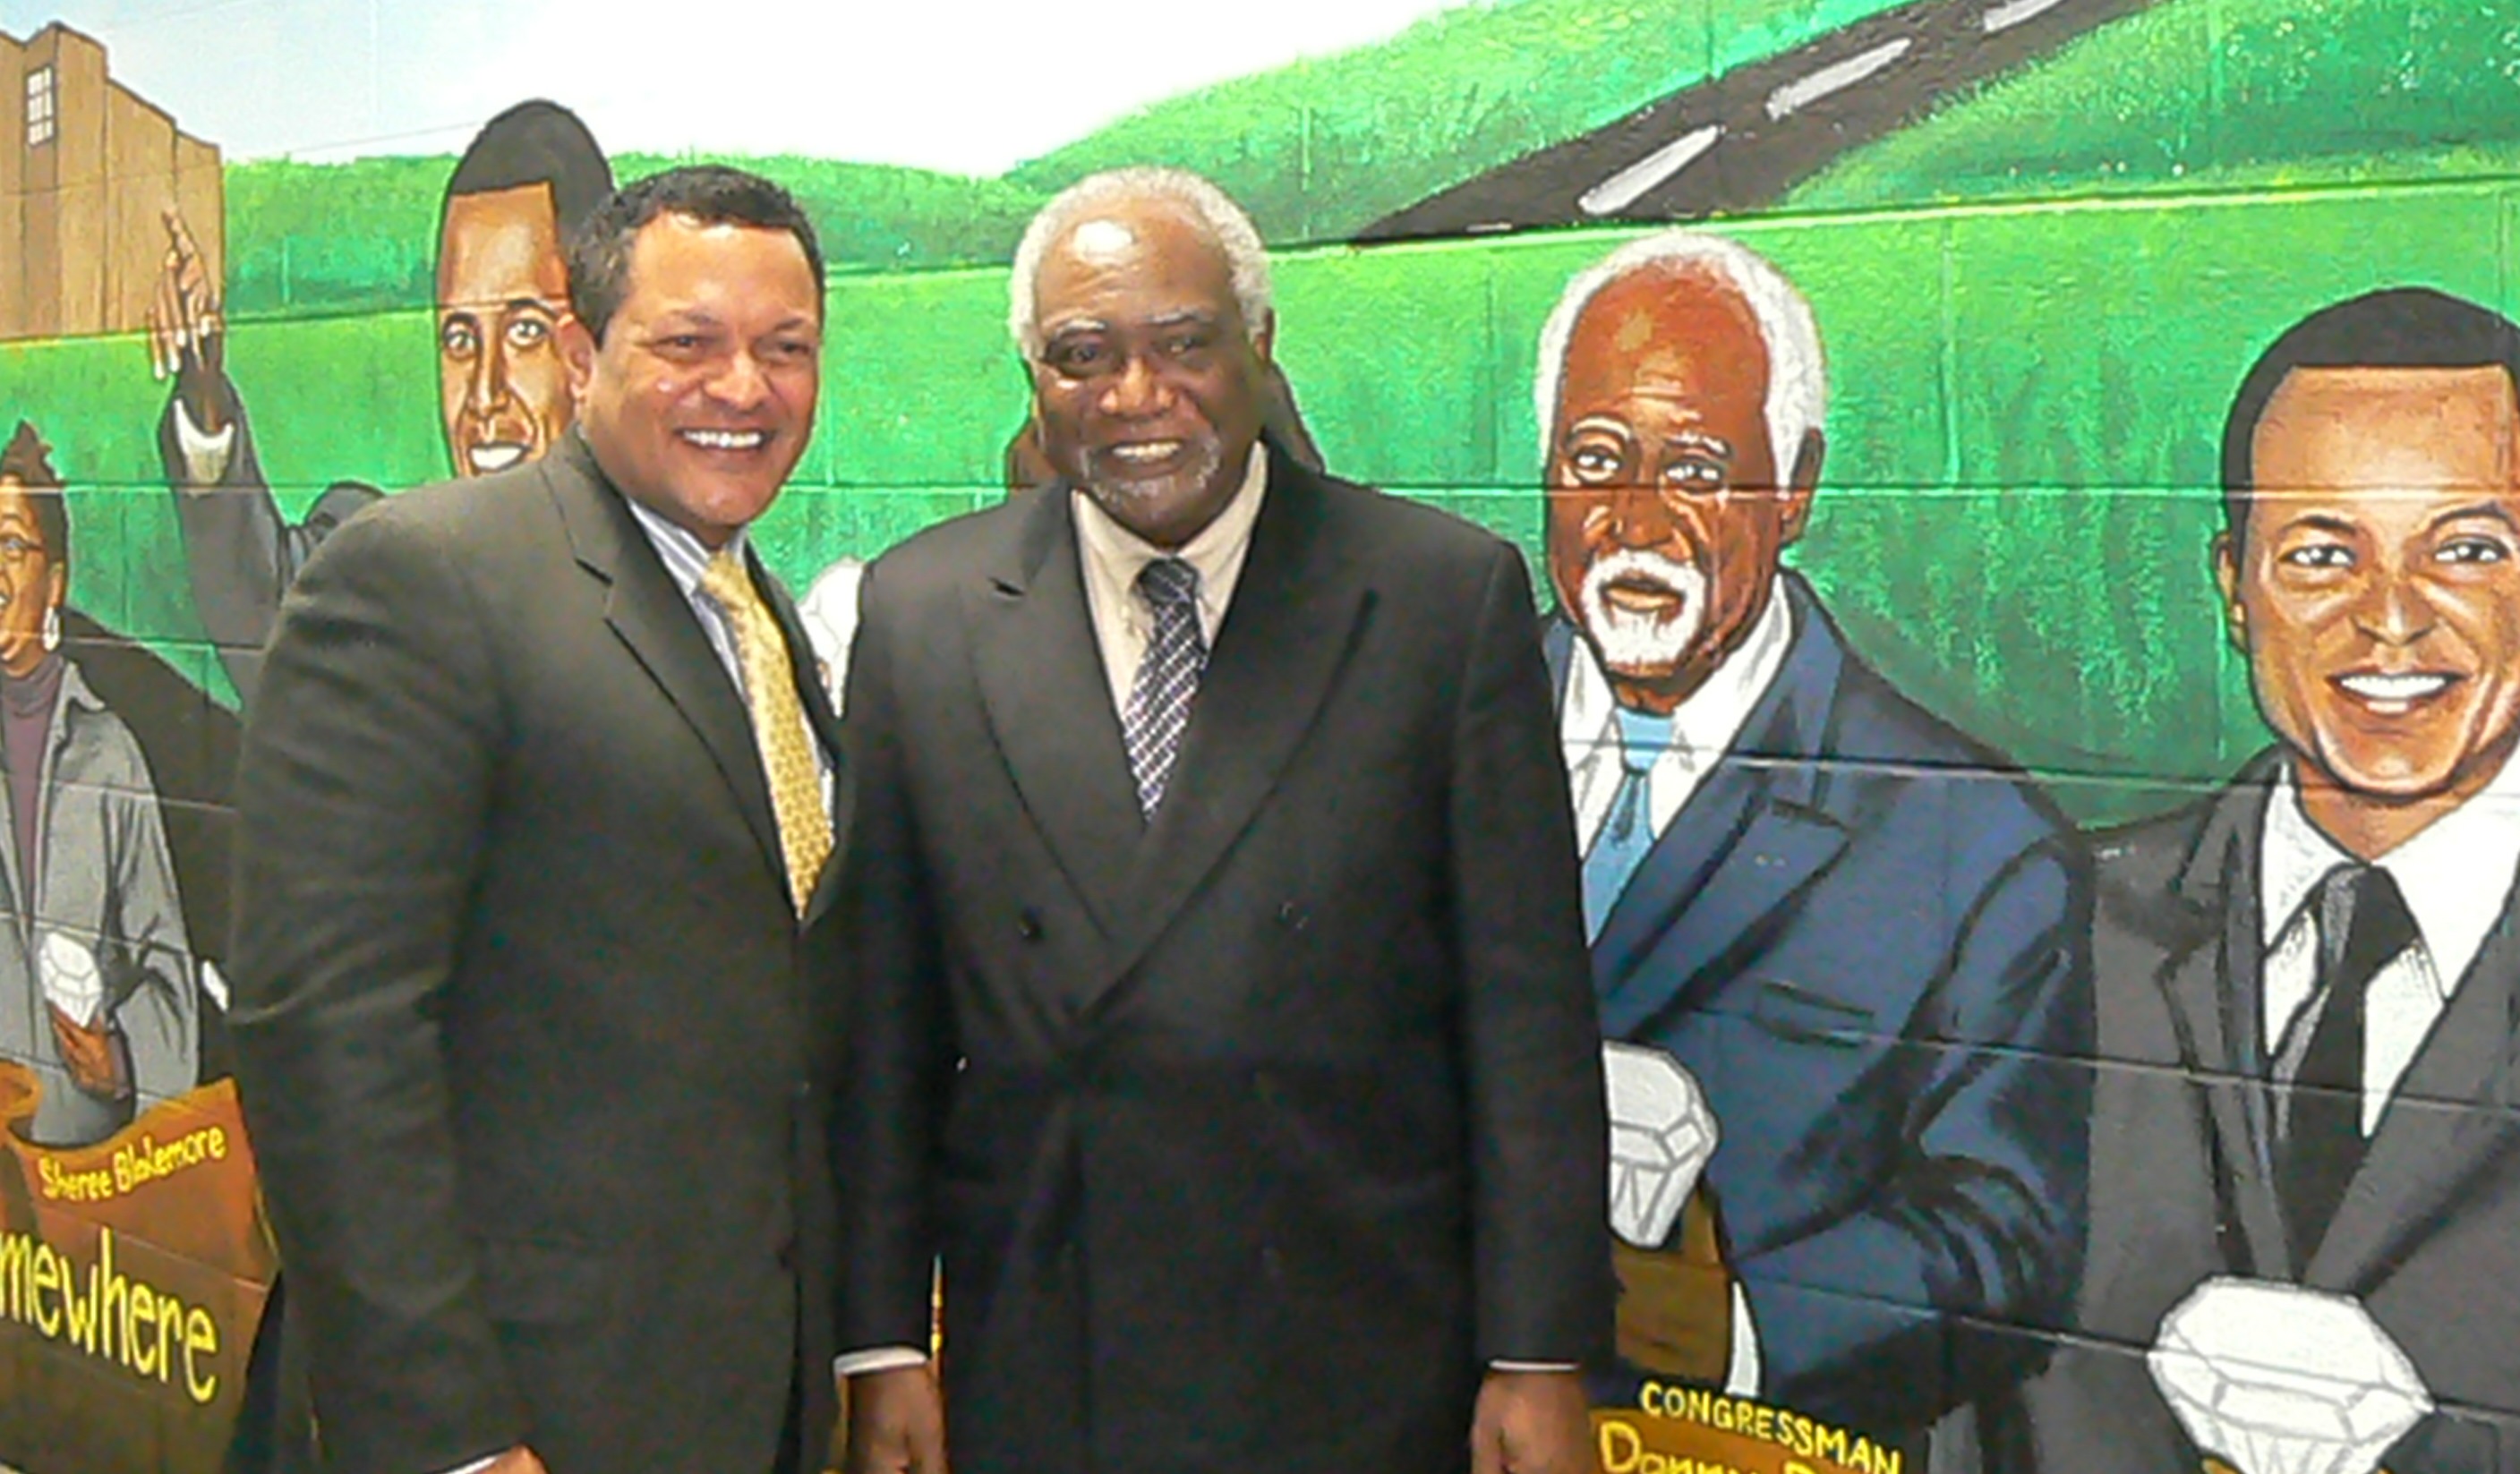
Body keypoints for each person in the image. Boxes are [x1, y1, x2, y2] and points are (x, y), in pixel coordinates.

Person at [836, 166, 1611, 1474]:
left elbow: (1523, 1013)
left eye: (1181, 343)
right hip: (1039, 1338)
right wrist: (877, 1339)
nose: (1135, 398)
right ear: (1033, 374)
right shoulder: (924, 614)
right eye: (1082, 355)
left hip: (1352, 1339)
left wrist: (1534, 1353)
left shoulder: (1434, 600)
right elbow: (880, 1017)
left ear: (1257, 343)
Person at [227, 166, 844, 1474]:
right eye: (687, 342)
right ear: (582, 351)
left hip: (733, 1395)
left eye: (783, 348)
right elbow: (327, 1031)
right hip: (523, 1410)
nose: (743, 387)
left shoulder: (757, 614)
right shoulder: (421, 577)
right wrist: (444, 1430)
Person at [1533, 231, 2090, 1453]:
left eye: (1694, 467)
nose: (1635, 518)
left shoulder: (1973, 844)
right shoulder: (1418, 735)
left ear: (1793, 486)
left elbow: (2003, 1235)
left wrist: (1733, 1323)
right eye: (1592, 459)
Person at [2022, 287, 2520, 1474]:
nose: (2389, 617)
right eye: (2316, 552)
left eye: (2464, 546)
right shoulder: (2051, 930)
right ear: (2232, 589)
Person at [148, 99, 613, 703]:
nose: (483, 395)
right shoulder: (393, 575)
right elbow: (267, 618)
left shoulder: (679, 605)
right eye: (459, 337)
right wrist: (203, 397)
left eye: (525, 331)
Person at [0, 422, 197, 1149]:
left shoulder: (106, 753)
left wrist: (122, 1060)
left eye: (13, 546)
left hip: (83, 1167)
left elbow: (165, 963)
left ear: (54, 584)